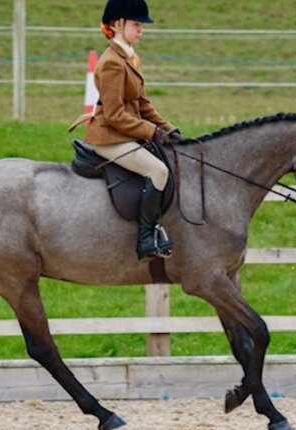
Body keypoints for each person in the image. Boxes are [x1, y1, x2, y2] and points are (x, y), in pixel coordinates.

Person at [73, 0, 183, 262]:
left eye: (142, 25)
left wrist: (169, 129)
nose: (141, 29)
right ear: (118, 24)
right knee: (158, 170)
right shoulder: (111, 62)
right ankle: (146, 239)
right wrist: (151, 132)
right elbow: (114, 115)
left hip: (126, 132)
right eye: (136, 24)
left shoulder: (130, 57)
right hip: (109, 136)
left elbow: (142, 104)